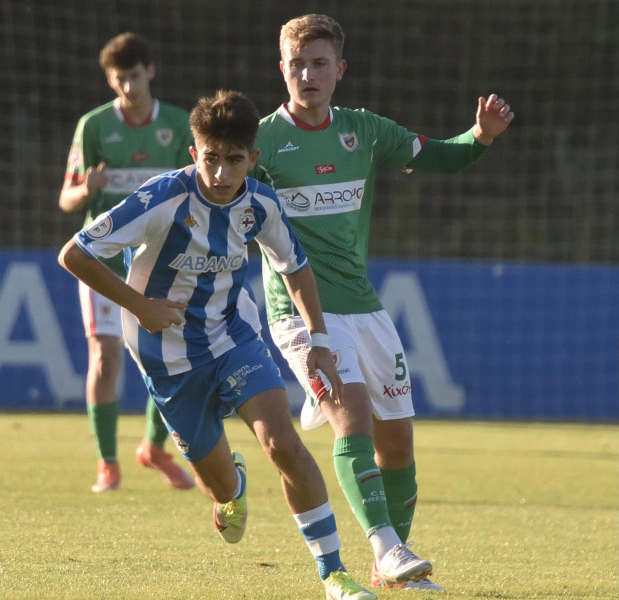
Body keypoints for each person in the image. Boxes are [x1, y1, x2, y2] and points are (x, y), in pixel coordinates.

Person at [60, 89, 383, 600]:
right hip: (166, 359)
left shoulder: (261, 203)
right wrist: (139, 306)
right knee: (224, 497)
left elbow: (294, 267)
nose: (221, 173)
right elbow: (74, 254)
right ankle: (230, 486)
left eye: (234, 161)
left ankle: (334, 575)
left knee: (283, 444)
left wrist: (319, 338)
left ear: (252, 159)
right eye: (211, 159)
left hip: (234, 338)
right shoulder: (161, 198)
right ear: (194, 153)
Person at [253, 14, 516, 592]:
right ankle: (388, 547)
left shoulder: (364, 131)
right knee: (354, 413)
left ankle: (389, 564)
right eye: (296, 64)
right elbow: (215, 187)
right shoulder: (263, 139)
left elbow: (438, 156)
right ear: (282, 70)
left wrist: (481, 137)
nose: (307, 73)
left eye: (319, 63)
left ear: (340, 70)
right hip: (300, 312)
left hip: (364, 307)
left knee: (397, 439)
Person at [59, 32, 195, 493]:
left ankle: (155, 448)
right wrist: (87, 189)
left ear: (150, 71)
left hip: (161, 263)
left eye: (134, 77)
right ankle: (108, 463)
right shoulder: (94, 127)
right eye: (119, 80)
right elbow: (67, 199)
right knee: (106, 356)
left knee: (169, 357)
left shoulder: (178, 126)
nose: (128, 89)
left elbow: (193, 193)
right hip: (103, 263)